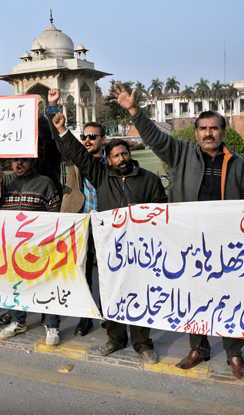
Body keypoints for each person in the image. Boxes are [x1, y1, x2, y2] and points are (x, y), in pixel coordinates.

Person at [109, 82, 244, 378]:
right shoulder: (182, 154)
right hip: (189, 242)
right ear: (196, 133)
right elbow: (154, 137)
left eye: (214, 128)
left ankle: (234, 354)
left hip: (227, 245)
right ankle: (198, 348)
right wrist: (134, 110)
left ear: (222, 133)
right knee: (194, 296)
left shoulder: (237, 163)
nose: (208, 133)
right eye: (203, 129)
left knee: (230, 297)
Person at [50, 110, 167, 365]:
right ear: (109, 160)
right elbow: (79, 154)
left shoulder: (149, 180)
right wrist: (61, 130)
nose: (121, 158)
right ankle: (115, 338)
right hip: (110, 249)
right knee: (111, 292)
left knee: (138, 294)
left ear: (130, 155)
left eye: (124, 153)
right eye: (116, 155)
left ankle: (142, 343)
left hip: (139, 250)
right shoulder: (102, 176)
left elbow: (160, 211)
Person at [48, 90, 107, 337]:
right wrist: (52, 107)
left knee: (106, 273)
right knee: (82, 273)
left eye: (93, 136)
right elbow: (59, 140)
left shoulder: (113, 162)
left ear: (104, 140)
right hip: (80, 223)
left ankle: (109, 314)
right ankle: (86, 316)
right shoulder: (76, 159)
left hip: (105, 225)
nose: (87, 140)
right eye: (84, 136)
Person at [0, 156, 62, 345]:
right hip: (12, 247)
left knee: (47, 285)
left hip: (38, 248)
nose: (18, 164)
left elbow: (56, 214)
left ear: (33, 162)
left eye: (24, 160)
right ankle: (19, 321)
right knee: (14, 285)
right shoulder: (5, 181)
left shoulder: (45, 183)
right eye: (15, 160)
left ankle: (52, 326)